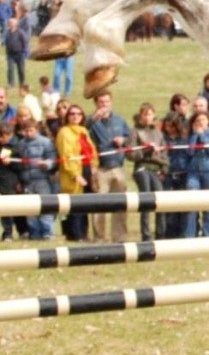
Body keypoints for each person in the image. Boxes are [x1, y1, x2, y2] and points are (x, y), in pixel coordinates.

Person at [87, 91, 130, 243]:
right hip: (100, 168)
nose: (104, 105)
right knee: (99, 204)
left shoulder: (120, 120)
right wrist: (93, 119)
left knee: (120, 203)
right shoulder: (91, 122)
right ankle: (99, 237)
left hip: (118, 166)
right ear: (96, 104)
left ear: (111, 102)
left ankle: (119, 237)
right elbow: (83, 132)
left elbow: (130, 138)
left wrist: (123, 140)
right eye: (101, 102)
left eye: (106, 102)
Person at [127, 103, 168, 242]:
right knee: (146, 201)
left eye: (150, 114)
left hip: (156, 169)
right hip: (142, 168)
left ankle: (160, 234)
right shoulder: (135, 131)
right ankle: (146, 235)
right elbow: (130, 154)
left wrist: (164, 169)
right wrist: (145, 150)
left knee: (161, 201)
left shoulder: (158, 133)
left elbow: (164, 153)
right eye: (145, 114)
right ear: (140, 116)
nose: (148, 117)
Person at [56, 103, 97, 242]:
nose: (75, 116)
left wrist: (94, 166)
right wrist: (75, 174)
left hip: (86, 170)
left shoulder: (83, 131)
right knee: (73, 204)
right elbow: (66, 155)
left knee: (85, 204)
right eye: (72, 114)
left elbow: (91, 151)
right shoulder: (64, 132)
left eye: (78, 114)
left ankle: (84, 234)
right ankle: (75, 234)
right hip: (72, 173)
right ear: (67, 116)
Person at [17, 119, 57, 240]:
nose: (28, 133)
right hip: (27, 182)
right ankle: (34, 233)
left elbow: (53, 158)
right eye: (26, 131)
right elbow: (19, 163)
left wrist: (47, 164)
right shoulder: (21, 144)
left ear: (37, 130)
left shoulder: (46, 142)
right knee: (30, 209)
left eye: (31, 130)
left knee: (45, 207)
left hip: (42, 180)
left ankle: (47, 232)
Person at [183, 111, 209, 237]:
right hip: (193, 171)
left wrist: (203, 136)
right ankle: (190, 235)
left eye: (203, 120)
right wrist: (195, 135)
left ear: (208, 121)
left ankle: (208, 235)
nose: (200, 123)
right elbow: (190, 152)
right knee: (191, 203)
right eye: (198, 120)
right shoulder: (190, 133)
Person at [161, 112, 189, 239]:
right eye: (167, 126)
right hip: (168, 174)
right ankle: (170, 235)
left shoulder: (185, 139)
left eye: (172, 126)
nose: (169, 129)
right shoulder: (162, 139)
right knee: (169, 206)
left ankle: (183, 233)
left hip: (183, 174)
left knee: (183, 206)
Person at [0, 120, 22, 241]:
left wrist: (10, 163)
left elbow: (20, 166)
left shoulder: (15, 149)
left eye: (7, 135)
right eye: (1, 136)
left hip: (8, 184)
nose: (4, 139)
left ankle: (8, 233)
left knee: (7, 210)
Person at [4, 17, 27, 87]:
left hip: (19, 54)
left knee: (21, 70)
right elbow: (6, 42)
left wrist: (23, 51)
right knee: (10, 69)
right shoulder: (7, 32)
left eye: (10, 23)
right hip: (10, 54)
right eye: (9, 23)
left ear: (15, 24)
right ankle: (11, 83)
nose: (9, 24)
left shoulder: (20, 32)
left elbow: (25, 41)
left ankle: (22, 83)